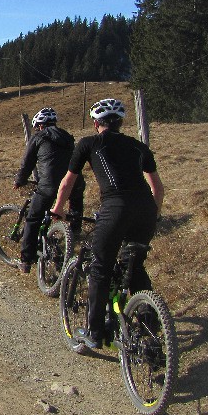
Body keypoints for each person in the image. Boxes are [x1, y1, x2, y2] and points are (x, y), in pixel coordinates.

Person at [50, 98, 164, 350]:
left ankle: (94, 331)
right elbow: (157, 188)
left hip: (115, 208)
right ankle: (150, 327)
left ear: (95, 123)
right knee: (134, 267)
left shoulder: (89, 143)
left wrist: (58, 209)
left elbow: (68, 182)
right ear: (121, 122)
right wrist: (153, 215)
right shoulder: (138, 146)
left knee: (100, 267)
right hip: (145, 210)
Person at [13, 107, 85, 274]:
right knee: (74, 211)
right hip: (75, 183)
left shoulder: (38, 137)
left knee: (33, 218)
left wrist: (19, 180)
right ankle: (74, 236)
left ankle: (26, 260)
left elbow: (27, 163)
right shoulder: (68, 137)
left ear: (39, 125)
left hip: (49, 185)